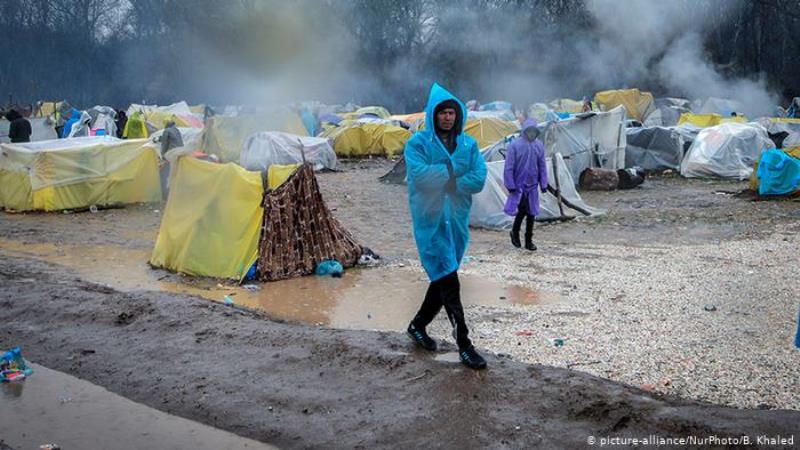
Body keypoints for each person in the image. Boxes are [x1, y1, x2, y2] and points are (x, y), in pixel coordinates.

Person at [404, 83, 488, 370]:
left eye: (452, 113)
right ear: (433, 116)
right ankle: (464, 343)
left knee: (443, 276)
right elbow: (419, 176)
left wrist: (453, 184)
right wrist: (452, 171)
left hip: (458, 223)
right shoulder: (417, 144)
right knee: (450, 281)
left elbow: (479, 178)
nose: (447, 118)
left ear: (458, 115)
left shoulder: (468, 145)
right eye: (442, 113)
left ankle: (417, 326)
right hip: (431, 221)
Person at [504, 118, 548, 251]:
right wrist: (510, 183)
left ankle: (529, 240)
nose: (531, 134)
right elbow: (509, 166)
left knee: (532, 213)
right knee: (522, 210)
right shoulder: (515, 145)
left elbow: (542, 165)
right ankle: (515, 233)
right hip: (519, 184)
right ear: (525, 131)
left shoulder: (539, 146)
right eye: (529, 132)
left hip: (532, 184)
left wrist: (543, 182)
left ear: (536, 132)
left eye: (534, 132)